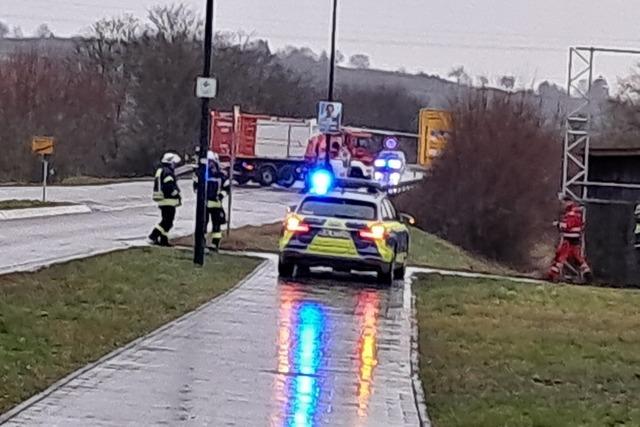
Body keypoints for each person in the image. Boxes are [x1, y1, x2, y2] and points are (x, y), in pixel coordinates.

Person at [547, 197, 592, 282]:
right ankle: (587, 273)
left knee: (560, 257)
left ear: (568, 202)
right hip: (575, 239)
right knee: (578, 258)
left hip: (569, 239)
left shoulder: (571, 214)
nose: (562, 205)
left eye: (564, 203)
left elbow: (567, 225)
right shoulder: (577, 213)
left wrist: (558, 224)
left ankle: (552, 275)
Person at [193, 151, 230, 251]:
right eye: (208, 162)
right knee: (203, 224)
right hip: (204, 204)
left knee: (216, 226)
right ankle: (202, 243)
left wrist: (221, 195)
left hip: (216, 205)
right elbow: (196, 187)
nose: (210, 165)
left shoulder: (221, 175)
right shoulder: (201, 174)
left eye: (211, 162)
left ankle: (215, 244)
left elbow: (227, 188)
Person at [149, 152, 182, 246]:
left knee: (167, 222)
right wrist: (177, 195)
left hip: (163, 200)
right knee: (167, 222)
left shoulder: (162, 170)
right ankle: (153, 236)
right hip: (169, 201)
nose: (175, 165)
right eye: (174, 163)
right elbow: (169, 187)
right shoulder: (168, 172)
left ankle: (163, 240)